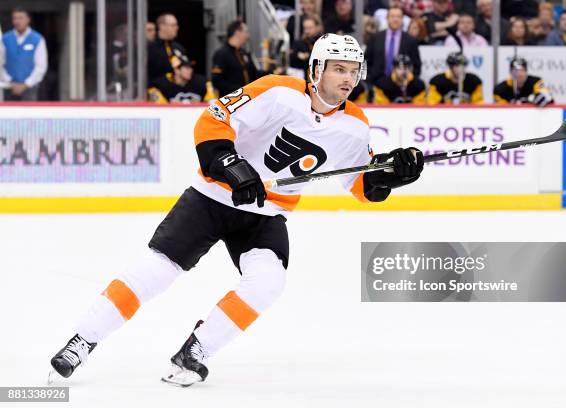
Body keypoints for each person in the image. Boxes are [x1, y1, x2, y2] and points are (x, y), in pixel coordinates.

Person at [49, 33, 424, 387]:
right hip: (211, 197)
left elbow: (360, 183)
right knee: (157, 270)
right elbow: (213, 118)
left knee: (267, 283)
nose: (347, 78)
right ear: (316, 69)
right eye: (338, 68)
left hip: (267, 214)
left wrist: (391, 174)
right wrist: (231, 165)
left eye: (353, 70)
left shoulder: (355, 126)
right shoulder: (277, 91)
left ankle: (194, 351)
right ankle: (82, 340)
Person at [365, 6, 422, 85]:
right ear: (387, 18)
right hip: (377, 83)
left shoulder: (410, 40)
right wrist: (370, 77)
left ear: (402, 19)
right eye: (392, 16)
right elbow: (367, 61)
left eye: (398, 16)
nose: (395, 19)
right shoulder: (375, 38)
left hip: (402, 84)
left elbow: (416, 65)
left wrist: (409, 81)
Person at [1, 7, 48, 101]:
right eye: (15, 18)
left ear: (28, 19)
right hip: (9, 87)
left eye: (21, 18)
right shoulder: (5, 39)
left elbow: (41, 65)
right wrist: (10, 81)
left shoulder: (37, 39)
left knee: (30, 115)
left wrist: (26, 84)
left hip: (30, 87)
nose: (17, 21)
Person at [211, 19, 265, 98]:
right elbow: (217, 81)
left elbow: (254, 74)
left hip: (247, 99)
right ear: (237, 33)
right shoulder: (221, 54)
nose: (248, 36)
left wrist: (272, 73)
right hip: (230, 102)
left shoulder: (244, 53)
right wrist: (240, 90)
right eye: (246, 32)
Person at [147, 13, 187, 85]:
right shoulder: (150, 48)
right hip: (156, 90)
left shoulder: (178, 47)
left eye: (176, 25)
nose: (177, 27)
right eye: (173, 25)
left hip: (177, 90)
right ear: (162, 26)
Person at [290, 14, 323, 80]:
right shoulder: (298, 43)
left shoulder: (323, 43)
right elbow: (292, 58)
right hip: (301, 77)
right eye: (305, 28)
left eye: (310, 28)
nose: (307, 31)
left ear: (317, 27)